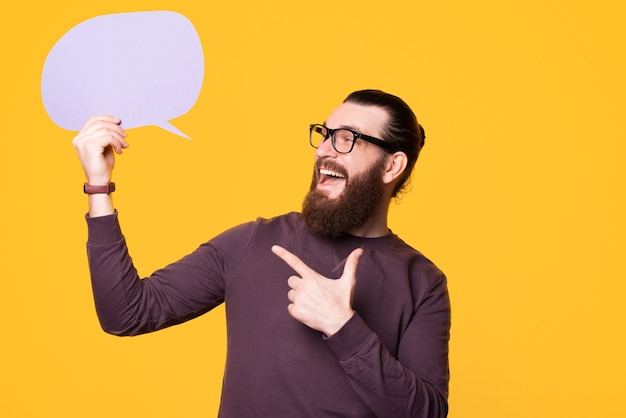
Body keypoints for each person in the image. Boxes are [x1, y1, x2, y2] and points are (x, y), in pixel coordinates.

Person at [73, 89, 451, 418]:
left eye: (346, 138)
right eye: (324, 134)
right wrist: (99, 186)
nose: (323, 150)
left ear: (392, 165)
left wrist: (343, 327)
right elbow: (125, 313)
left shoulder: (421, 281)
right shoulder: (253, 242)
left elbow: (426, 412)